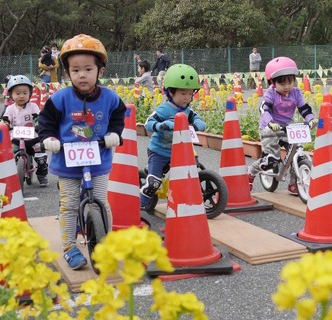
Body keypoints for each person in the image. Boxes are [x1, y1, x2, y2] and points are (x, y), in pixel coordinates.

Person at [38, 34, 126, 270]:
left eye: (88, 69)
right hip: (66, 160)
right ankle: (69, 247)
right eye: (75, 70)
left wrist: (115, 134)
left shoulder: (110, 97)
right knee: (68, 204)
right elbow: (45, 122)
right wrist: (48, 138)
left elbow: (119, 117)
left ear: (101, 71)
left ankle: (105, 244)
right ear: (67, 73)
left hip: (99, 159)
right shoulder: (60, 98)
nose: (82, 75)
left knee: (101, 202)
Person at [247, 57, 319, 195]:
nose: (287, 86)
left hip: (286, 127)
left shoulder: (296, 92)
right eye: (282, 83)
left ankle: (294, 183)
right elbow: (264, 109)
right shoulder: (271, 94)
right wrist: (271, 122)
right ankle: (251, 172)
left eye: (290, 82)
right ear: (272, 83)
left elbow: (304, 108)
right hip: (270, 129)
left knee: (297, 153)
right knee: (272, 159)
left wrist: (311, 120)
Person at [140, 64, 206, 209]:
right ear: (170, 92)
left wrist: (197, 125)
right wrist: (160, 125)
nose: (187, 98)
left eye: (190, 94)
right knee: (153, 183)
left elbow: (199, 120)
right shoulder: (164, 109)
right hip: (159, 152)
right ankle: (140, 206)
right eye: (183, 94)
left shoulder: (187, 110)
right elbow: (148, 122)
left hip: (181, 150)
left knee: (194, 167)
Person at [1, 75, 49, 187]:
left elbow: (38, 117)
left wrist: (38, 124)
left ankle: (42, 175)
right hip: (17, 139)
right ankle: (12, 175)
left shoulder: (33, 106)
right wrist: (5, 124)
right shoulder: (10, 108)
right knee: (10, 154)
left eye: (24, 93)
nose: (21, 96)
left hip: (33, 137)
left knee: (41, 156)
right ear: (11, 95)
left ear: (30, 94)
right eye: (17, 93)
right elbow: (6, 118)